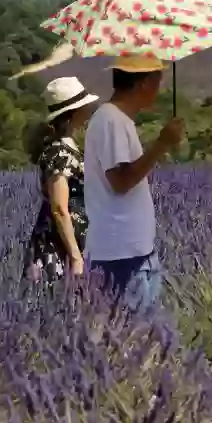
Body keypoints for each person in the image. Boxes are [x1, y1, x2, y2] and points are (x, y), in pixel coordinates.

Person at [82, 54, 184, 312]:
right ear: (144, 84)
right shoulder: (111, 120)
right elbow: (121, 180)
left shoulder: (117, 120)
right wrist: (162, 144)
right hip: (123, 254)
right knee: (132, 338)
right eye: (157, 82)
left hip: (130, 250)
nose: (158, 90)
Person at [21, 76, 98, 282]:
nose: (88, 111)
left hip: (76, 243)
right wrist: (75, 256)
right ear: (71, 114)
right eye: (84, 107)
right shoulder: (58, 153)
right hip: (59, 248)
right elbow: (59, 209)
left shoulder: (69, 148)